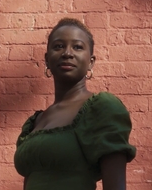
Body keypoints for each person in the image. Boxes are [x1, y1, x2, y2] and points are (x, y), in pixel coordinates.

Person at [14, 18, 136, 190]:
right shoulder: (35, 121)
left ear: (91, 62)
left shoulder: (101, 108)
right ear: (47, 60)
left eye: (77, 47)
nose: (67, 53)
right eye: (58, 46)